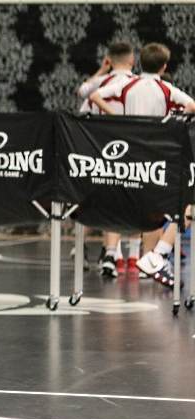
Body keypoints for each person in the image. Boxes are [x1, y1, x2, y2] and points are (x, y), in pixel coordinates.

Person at [91, 42, 195, 286]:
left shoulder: (129, 84)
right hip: (156, 153)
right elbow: (192, 106)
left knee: (121, 201)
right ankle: (150, 258)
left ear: (138, 63)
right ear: (164, 67)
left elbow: (95, 95)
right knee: (155, 206)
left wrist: (120, 119)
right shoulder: (165, 88)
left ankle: (114, 254)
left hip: (129, 152)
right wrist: (170, 123)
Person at [75, 41, 136, 277]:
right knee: (117, 200)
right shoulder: (136, 83)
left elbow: (82, 97)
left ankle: (81, 247)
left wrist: (101, 70)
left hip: (94, 148)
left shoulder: (99, 83)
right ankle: (112, 254)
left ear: (109, 60)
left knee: (88, 200)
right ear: (132, 61)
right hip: (122, 148)